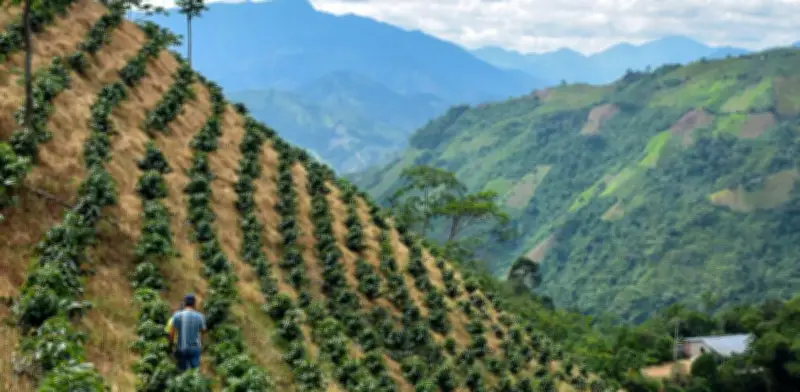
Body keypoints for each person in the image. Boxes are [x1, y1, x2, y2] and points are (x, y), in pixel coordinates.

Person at [166, 294, 207, 372]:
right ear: (194, 304)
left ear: (184, 303)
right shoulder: (200, 316)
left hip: (182, 348)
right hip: (195, 348)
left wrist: (170, 346)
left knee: (182, 372)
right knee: (194, 373)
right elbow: (203, 331)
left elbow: (172, 333)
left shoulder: (177, 315)